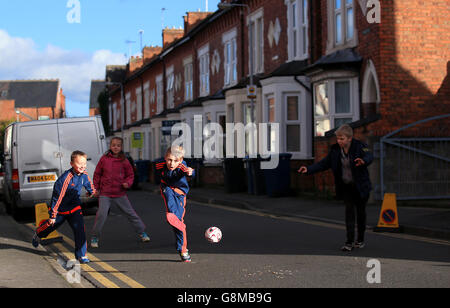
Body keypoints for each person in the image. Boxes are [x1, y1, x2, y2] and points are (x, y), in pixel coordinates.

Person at [298, 124, 373, 252]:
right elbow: (324, 164)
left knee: (360, 213)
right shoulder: (335, 151)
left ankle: (360, 240)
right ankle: (349, 242)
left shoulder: (359, 146)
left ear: (349, 138)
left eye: (342, 139)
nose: (339, 141)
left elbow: (369, 156)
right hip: (347, 186)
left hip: (361, 186)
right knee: (349, 213)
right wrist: (308, 169)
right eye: (338, 138)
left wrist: (364, 161)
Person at [32, 151, 95, 263]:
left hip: (75, 208)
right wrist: (52, 215)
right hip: (60, 210)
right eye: (79, 163)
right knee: (50, 226)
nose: (83, 166)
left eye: (84, 163)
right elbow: (57, 198)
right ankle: (38, 234)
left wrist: (91, 192)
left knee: (80, 230)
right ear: (71, 164)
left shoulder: (84, 175)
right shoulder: (65, 179)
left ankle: (81, 256)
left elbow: (90, 186)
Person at [90, 137, 149, 248]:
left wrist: (127, 183)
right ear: (110, 146)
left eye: (118, 145)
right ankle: (95, 237)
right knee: (101, 215)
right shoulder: (104, 159)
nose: (115, 147)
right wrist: (96, 188)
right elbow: (97, 174)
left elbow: (130, 175)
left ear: (121, 147)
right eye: (113, 145)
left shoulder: (124, 160)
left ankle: (142, 232)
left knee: (130, 213)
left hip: (119, 193)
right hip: (105, 193)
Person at [155, 146, 194, 262]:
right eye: (169, 160)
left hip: (180, 192)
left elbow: (190, 171)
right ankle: (171, 214)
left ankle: (183, 249)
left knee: (179, 223)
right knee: (168, 197)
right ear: (165, 158)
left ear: (181, 160)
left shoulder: (183, 166)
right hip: (167, 188)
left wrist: (191, 172)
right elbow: (159, 173)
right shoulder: (159, 164)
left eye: (175, 161)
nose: (171, 163)